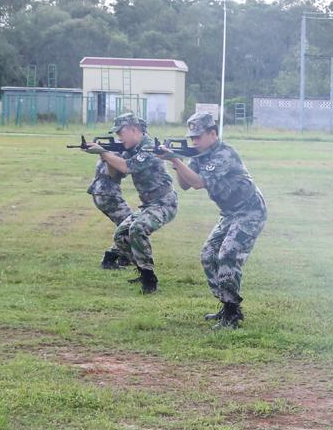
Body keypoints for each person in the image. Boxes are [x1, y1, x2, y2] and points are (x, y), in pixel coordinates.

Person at [159, 112, 266, 329]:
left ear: (213, 134)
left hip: (249, 211)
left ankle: (233, 313)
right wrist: (176, 162)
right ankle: (227, 304)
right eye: (192, 138)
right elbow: (185, 185)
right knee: (208, 255)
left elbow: (198, 183)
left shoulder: (224, 154)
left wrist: (175, 159)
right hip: (229, 213)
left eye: (198, 137)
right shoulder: (199, 156)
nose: (194, 141)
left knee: (227, 254)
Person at [84, 112, 177, 294]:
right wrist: (106, 156)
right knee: (121, 235)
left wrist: (104, 152)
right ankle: (142, 270)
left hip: (164, 202)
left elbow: (128, 167)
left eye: (121, 132)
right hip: (148, 204)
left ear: (134, 130)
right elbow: (115, 174)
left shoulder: (148, 148)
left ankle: (149, 279)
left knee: (137, 229)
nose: (118, 136)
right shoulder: (130, 149)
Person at [88, 157, 132, 270]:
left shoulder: (111, 152)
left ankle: (124, 257)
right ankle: (110, 259)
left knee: (126, 225)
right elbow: (113, 173)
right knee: (131, 225)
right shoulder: (117, 153)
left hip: (100, 192)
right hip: (108, 193)